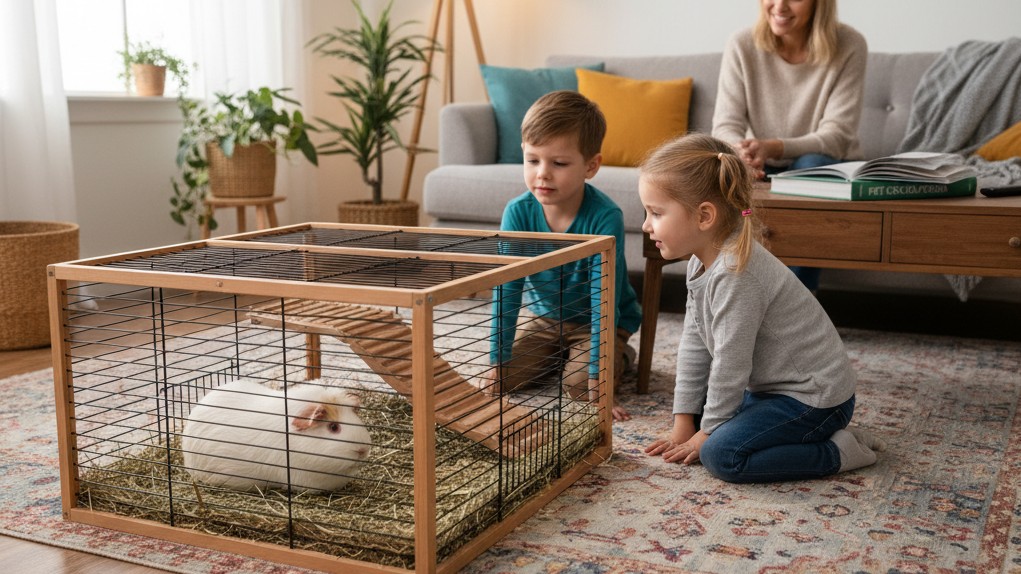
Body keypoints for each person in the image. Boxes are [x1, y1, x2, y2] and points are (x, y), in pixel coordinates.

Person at [640, 133, 884, 483]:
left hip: (815, 398)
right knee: (708, 403)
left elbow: (731, 363)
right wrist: (683, 424)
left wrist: (706, 432)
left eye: (656, 213)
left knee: (721, 455)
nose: (647, 225)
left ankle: (838, 450)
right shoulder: (700, 261)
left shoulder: (735, 274)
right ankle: (800, 433)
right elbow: (695, 344)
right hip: (772, 388)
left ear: (704, 216)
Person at [482, 90, 642, 422]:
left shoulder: (604, 217)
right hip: (544, 318)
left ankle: (619, 354)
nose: (542, 173)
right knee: (501, 382)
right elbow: (506, 292)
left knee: (580, 386)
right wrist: (496, 362)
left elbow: (604, 301)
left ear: (591, 166)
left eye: (559, 163)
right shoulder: (517, 214)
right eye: (533, 160)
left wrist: (600, 375)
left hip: (596, 321)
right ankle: (558, 355)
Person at [711, 0, 868, 291]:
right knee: (718, 168)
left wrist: (773, 147)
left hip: (825, 164)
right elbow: (725, 125)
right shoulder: (742, 44)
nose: (779, 6)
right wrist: (741, 153)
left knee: (808, 168)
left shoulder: (850, 44)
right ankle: (729, 299)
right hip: (762, 162)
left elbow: (838, 134)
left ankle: (794, 310)